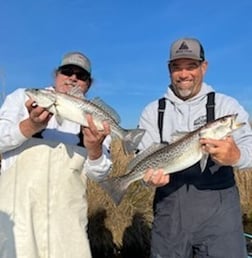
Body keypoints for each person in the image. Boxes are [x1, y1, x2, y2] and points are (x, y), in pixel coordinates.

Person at [139, 37, 252, 258]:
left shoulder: (226, 105)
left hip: (220, 221)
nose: (184, 74)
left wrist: (236, 156)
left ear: (204, 67)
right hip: (169, 218)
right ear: (169, 69)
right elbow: (143, 157)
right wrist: (147, 178)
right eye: (177, 67)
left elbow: (250, 146)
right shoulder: (153, 112)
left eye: (191, 66)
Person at [0, 52, 112, 258]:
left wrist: (94, 148)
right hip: (18, 220)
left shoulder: (93, 115)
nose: (73, 78)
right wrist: (30, 125)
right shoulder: (21, 98)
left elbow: (101, 173)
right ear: (56, 75)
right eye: (67, 72)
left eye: (81, 75)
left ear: (89, 83)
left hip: (67, 225)